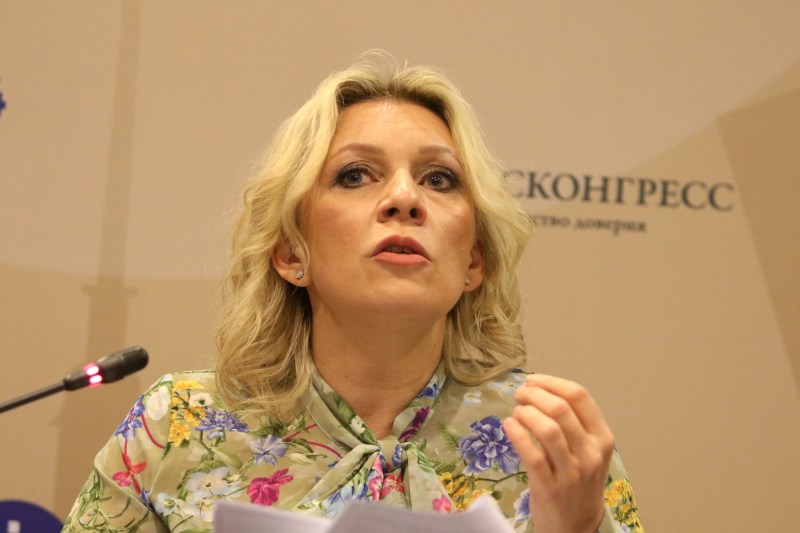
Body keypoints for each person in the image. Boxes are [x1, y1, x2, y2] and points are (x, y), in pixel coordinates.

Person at [63, 56, 643, 533]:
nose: (404, 199)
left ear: (474, 261)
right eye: (355, 175)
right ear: (291, 253)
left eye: (438, 179)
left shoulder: (551, 442)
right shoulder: (177, 426)